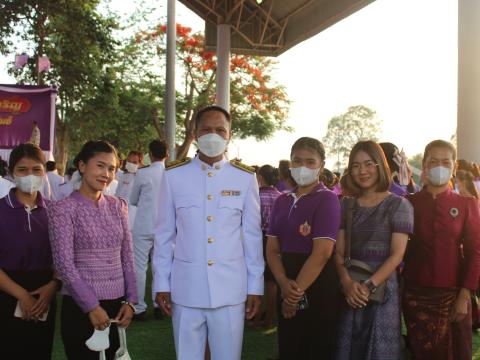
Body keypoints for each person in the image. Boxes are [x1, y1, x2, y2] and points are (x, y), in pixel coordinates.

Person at [153, 105, 264, 360]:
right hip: (186, 290)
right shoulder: (174, 176)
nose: (212, 135)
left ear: (229, 134)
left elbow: (252, 236)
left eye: (219, 130)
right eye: (206, 129)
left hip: (230, 291)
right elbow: (164, 235)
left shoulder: (244, 178)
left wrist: (255, 286)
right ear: (194, 132)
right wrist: (161, 282)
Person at [48, 140, 137, 360]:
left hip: (117, 306)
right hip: (81, 308)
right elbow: (63, 263)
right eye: (100, 165)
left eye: (112, 168)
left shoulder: (118, 205)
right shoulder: (63, 209)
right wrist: (92, 307)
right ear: (82, 166)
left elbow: (127, 255)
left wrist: (131, 301)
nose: (106, 173)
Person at [335, 141, 413, 360]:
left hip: (382, 291)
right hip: (349, 290)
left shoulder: (399, 205)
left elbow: (397, 254)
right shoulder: (345, 205)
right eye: (356, 165)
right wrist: (348, 284)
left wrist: (368, 286)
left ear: (380, 165)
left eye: (368, 164)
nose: (362, 171)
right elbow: (338, 252)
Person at [402, 140, 480, 360]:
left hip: (454, 294)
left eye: (445, 162)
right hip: (415, 294)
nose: (439, 166)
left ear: (454, 167)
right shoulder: (408, 203)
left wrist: (465, 295)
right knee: (422, 352)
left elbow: (475, 252)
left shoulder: (467, 204)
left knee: (456, 352)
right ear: (424, 166)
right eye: (433, 161)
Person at [266, 137, 341, 359]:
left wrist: (293, 297)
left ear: (321, 166)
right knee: (289, 345)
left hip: (316, 283)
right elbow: (272, 250)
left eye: (310, 162)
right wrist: (282, 284)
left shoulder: (327, 199)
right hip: (286, 279)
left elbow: (322, 253)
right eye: (297, 161)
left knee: (315, 346)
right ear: (290, 163)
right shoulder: (282, 201)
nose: (303, 167)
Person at [0, 143, 59, 359]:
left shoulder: (55, 212)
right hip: (6, 292)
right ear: (11, 172)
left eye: (36, 169)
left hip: (44, 294)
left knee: (39, 350)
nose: (30, 175)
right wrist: (21, 295)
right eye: (22, 170)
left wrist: (53, 286)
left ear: (44, 172)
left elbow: (65, 257)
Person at [130, 140, 168, 321]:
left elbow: (133, 199)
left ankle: (139, 308)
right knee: (160, 266)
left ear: (150, 154)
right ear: (166, 154)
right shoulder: (171, 173)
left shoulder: (142, 173)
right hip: (164, 227)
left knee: (139, 267)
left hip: (143, 225)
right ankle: (159, 304)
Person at [254, 164, 282, 329]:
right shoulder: (280, 196)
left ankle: (255, 318)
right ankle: (270, 319)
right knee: (272, 282)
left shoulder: (255, 195)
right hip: (276, 241)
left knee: (256, 278)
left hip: (258, 239)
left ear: (261, 177)